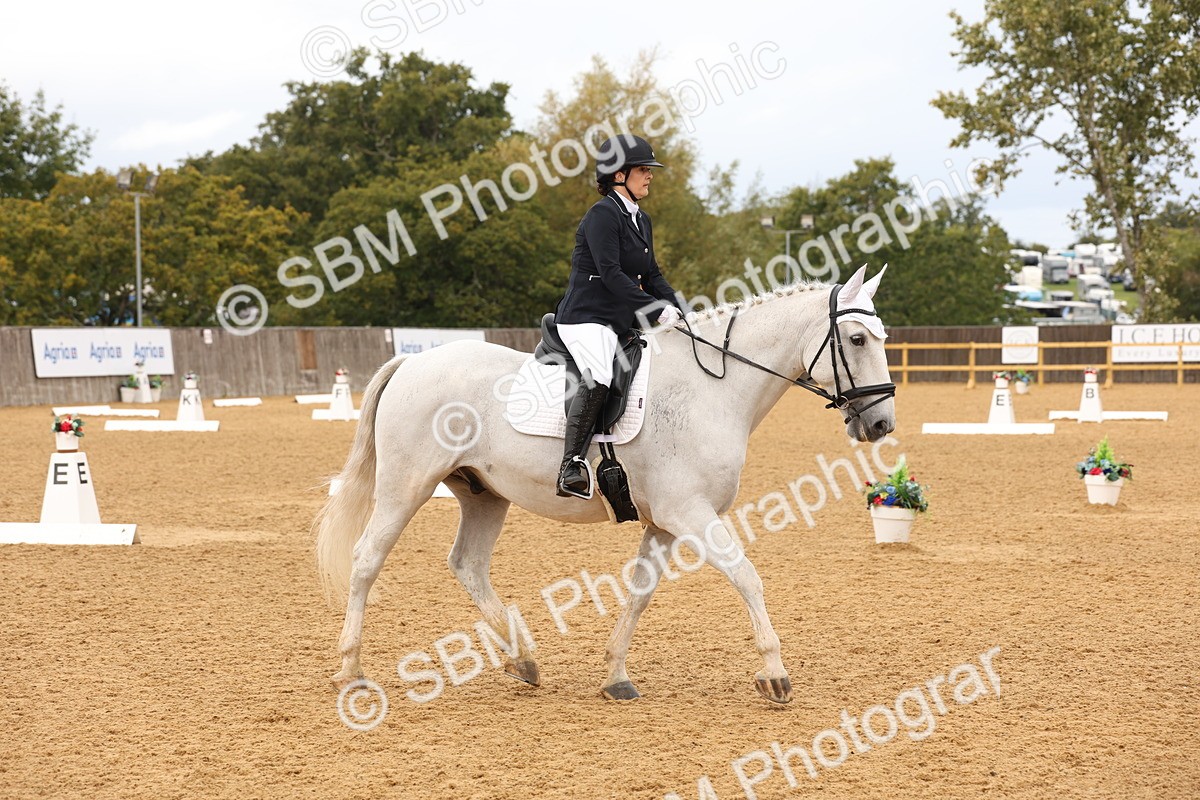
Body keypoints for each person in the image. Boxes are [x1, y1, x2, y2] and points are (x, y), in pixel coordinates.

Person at [552, 134, 686, 499]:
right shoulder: (602, 215)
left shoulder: (641, 219)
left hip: (619, 321)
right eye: (644, 170)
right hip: (586, 318)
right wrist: (656, 309)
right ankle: (572, 465)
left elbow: (653, 275)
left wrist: (681, 310)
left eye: (649, 170)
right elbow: (611, 274)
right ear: (618, 174)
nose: (650, 176)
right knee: (599, 374)